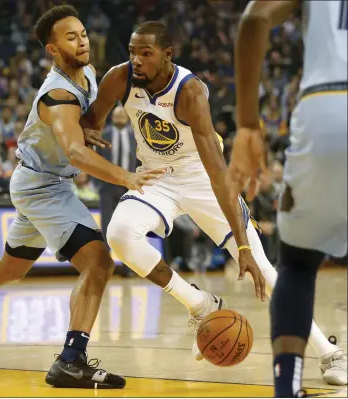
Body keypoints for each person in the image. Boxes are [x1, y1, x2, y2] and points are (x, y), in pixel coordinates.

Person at [82, 20, 346, 383]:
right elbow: (91, 120)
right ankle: (200, 304)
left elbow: (219, 174)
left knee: (265, 269)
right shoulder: (119, 78)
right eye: (132, 53)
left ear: (167, 55)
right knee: (120, 235)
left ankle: (329, 353)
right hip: (156, 176)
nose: (137, 61)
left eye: (146, 53)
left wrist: (242, 245)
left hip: (202, 177)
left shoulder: (190, 93)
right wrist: (86, 131)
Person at [0, 5, 165, 390]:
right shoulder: (57, 94)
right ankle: (71, 360)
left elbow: (78, 126)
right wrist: (126, 177)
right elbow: (75, 153)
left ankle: (71, 359)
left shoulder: (87, 74)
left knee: (8, 271)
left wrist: (87, 127)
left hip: (41, 183)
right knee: (99, 263)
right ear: (52, 49)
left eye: (83, 33)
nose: (82, 40)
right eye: (71, 37)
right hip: (43, 187)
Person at [229, 1, 347, 396]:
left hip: (326, 107)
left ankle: (287, 386)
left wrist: (247, 125)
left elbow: (255, 18)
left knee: (297, 263)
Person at [94, 105, 137, 239]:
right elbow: (95, 160)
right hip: (107, 185)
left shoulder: (135, 137)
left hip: (128, 186)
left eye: (122, 115)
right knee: (106, 221)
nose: (119, 118)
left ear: (128, 118)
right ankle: (106, 254)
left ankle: (127, 257)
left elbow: (140, 161)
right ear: (112, 117)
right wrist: (97, 183)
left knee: (127, 222)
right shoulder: (104, 135)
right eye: (117, 115)